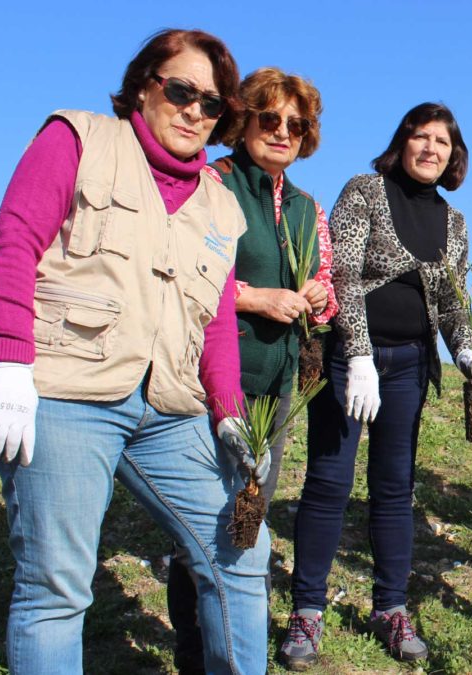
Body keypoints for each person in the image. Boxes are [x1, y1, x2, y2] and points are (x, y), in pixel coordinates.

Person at [0, 29, 271, 674]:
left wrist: (226, 411)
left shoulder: (221, 207)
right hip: (64, 394)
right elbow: (10, 247)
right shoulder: (78, 140)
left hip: (170, 408)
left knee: (243, 554)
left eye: (214, 104)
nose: (196, 111)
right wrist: (8, 364)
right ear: (145, 85)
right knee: (56, 586)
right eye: (181, 91)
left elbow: (219, 321)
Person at [279, 102, 472, 669]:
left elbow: (448, 297)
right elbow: (341, 272)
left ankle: (389, 608)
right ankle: (308, 611)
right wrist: (358, 354)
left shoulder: (454, 221)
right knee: (329, 480)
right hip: (354, 363)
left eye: (441, 142)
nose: (430, 149)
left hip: (410, 365)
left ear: (453, 155)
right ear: (402, 143)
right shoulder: (365, 191)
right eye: (420, 137)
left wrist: (466, 348)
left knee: (395, 487)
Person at [166, 66, 337, 674]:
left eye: (297, 124)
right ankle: (195, 651)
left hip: (278, 380)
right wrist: (254, 297)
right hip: (213, 376)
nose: (283, 131)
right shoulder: (213, 182)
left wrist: (317, 295)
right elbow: (183, 269)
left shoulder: (305, 205)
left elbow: (327, 284)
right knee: (204, 520)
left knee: (249, 510)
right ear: (242, 122)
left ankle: (232, 642)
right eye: (270, 119)